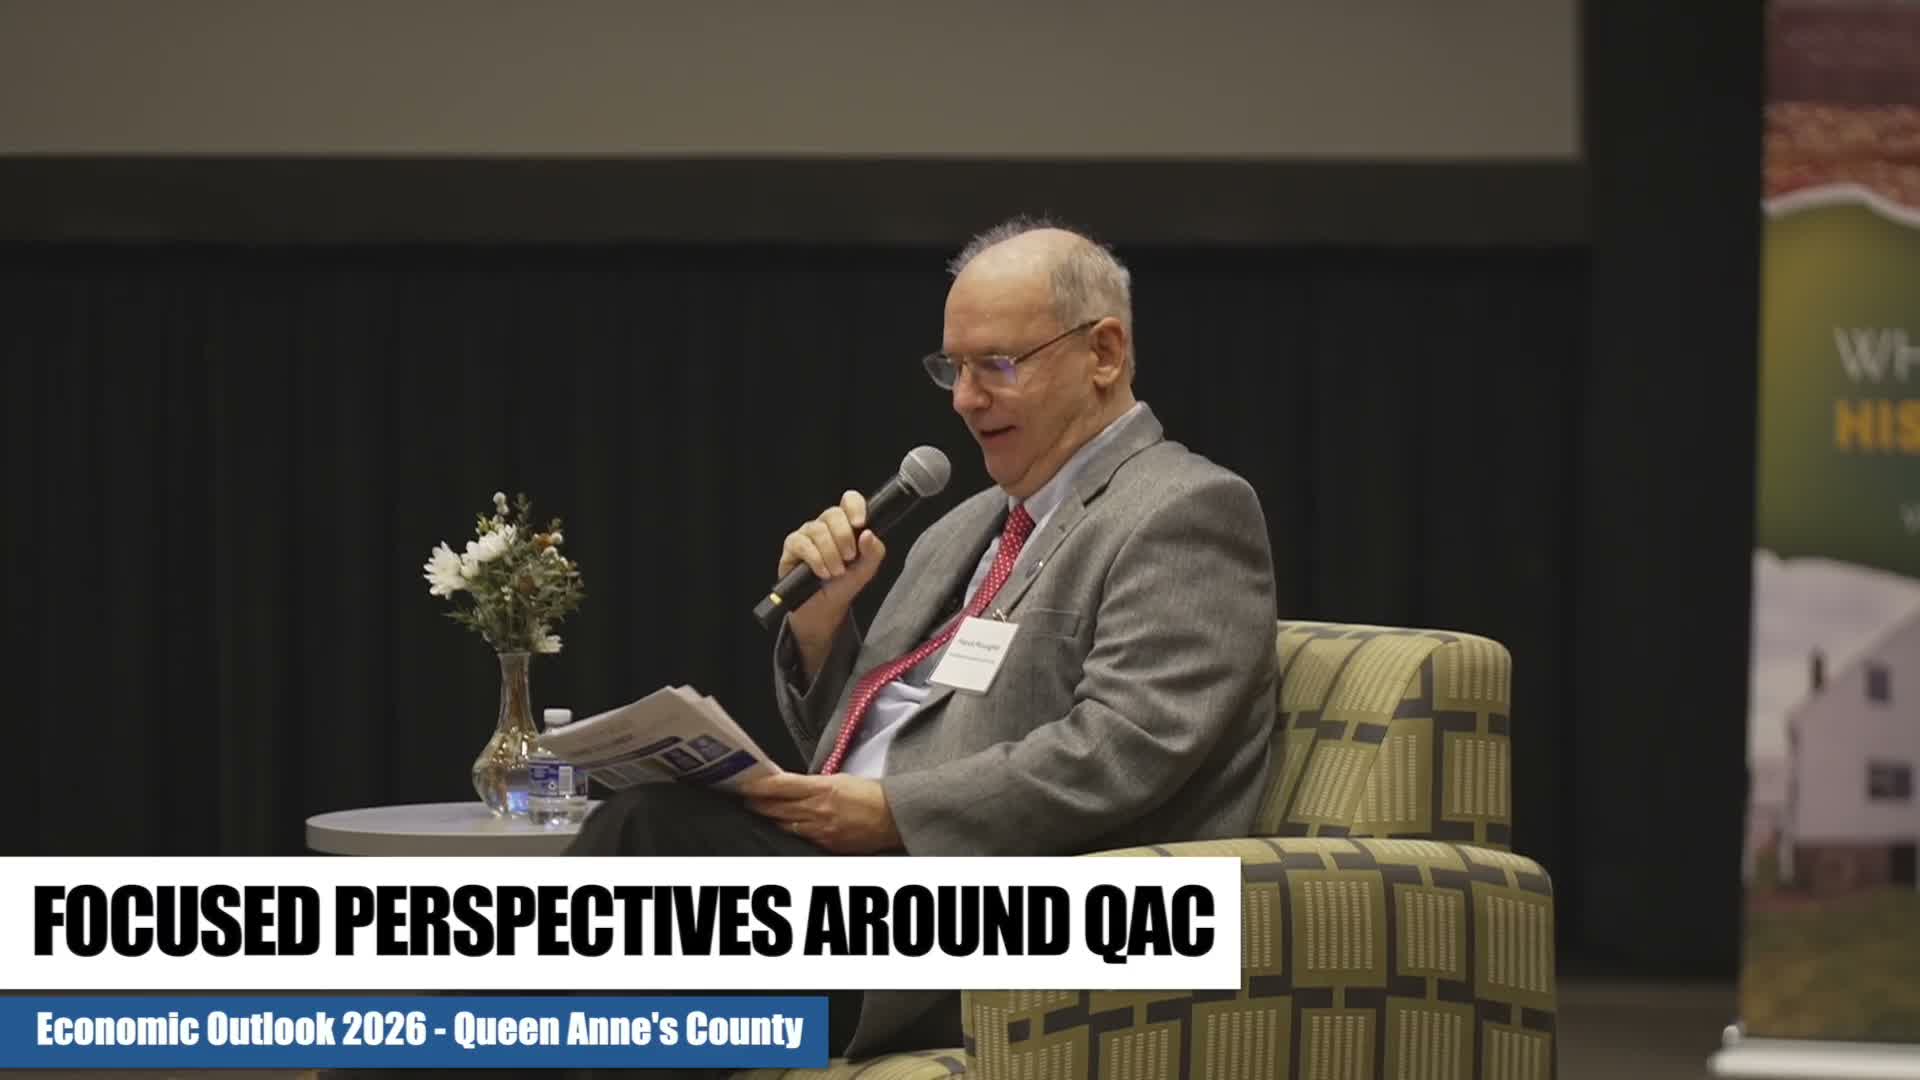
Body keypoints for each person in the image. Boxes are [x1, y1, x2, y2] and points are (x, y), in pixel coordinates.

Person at [569, 217, 1279, 1063]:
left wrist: (895, 814)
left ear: (1104, 352)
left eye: (997, 365)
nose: (964, 400)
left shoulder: (1183, 509)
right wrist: (821, 632)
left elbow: (1125, 747)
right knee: (636, 861)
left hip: (985, 919)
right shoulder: (964, 527)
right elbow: (869, 742)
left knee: (648, 840)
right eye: (953, 367)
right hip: (851, 885)